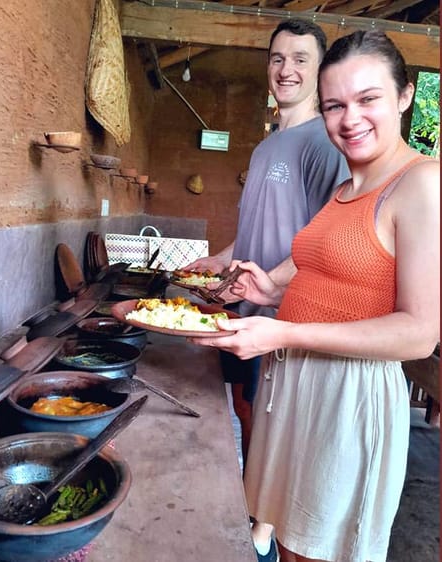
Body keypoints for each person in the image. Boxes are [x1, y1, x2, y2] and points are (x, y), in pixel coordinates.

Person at [193, 30, 439, 562]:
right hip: (295, 384)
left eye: (368, 98)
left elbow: (419, 333)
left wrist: (284, 331)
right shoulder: (346, 187)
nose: (350, 119)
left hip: (347, 397)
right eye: (334, 106)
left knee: (320, 550)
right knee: (288, 545)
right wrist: (269, 284)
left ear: (404, 95)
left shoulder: (422, 184)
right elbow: (319, 262)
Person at [184, 20, 349, 560]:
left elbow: (330, 240)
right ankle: (254, 511)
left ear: (320, 70)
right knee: (244, 409)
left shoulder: (323, 144)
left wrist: (276, 290)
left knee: (272, 421)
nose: (287, 70)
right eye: (278, 58)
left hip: (279, 318)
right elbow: (259, 229)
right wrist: (220, 259)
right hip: (241, 306)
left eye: (301, 59)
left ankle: (264, 526)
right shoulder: (265, 147)